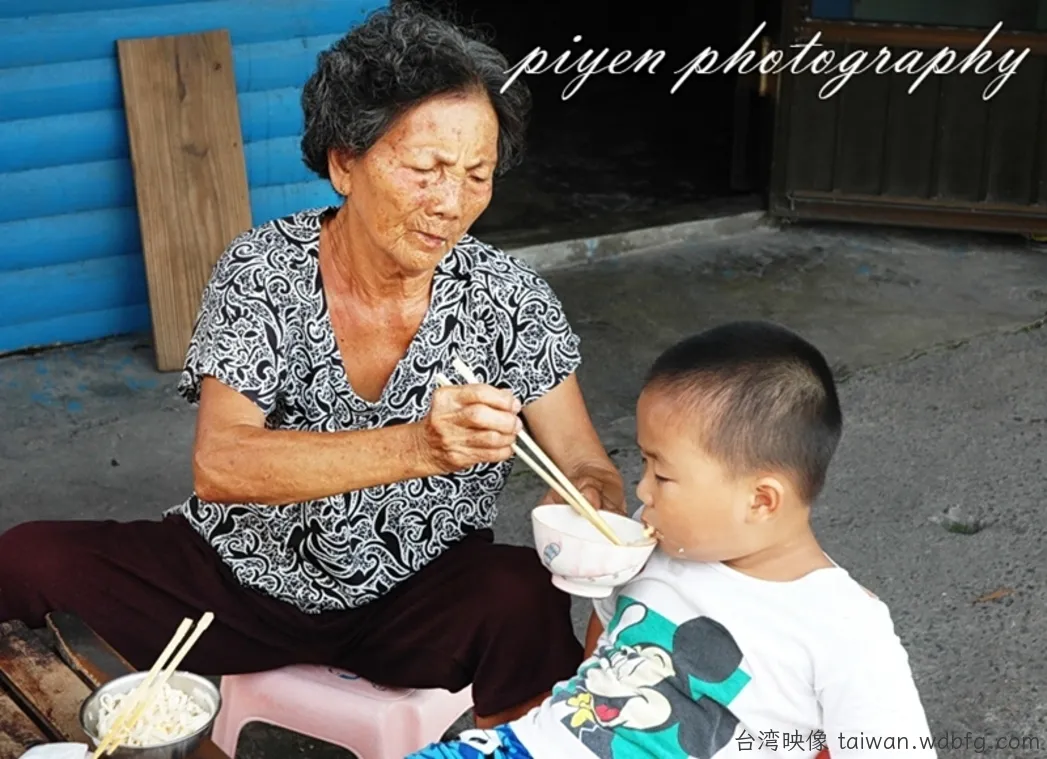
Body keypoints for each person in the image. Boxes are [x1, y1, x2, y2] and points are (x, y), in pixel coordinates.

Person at [0, 4, 626, 728]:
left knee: (522, 596)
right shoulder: (264, 270)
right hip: (236, 580)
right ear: (343, 163)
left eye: (477, 175)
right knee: (25, 561)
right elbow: (222, 464)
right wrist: (420, 447)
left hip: (420, 596)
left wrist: (587, 505)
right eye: (425, 170)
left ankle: (513, 745)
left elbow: (586, 462)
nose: (451, 204)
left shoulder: (509, 297)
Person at [408, 320, 937, 758]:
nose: (642, 490)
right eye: (644, 463)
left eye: (662, 475)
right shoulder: (654, 544)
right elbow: (602, 648)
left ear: (760, 500)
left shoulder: (846, 628)